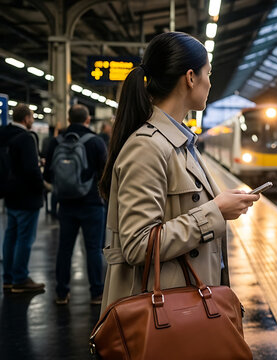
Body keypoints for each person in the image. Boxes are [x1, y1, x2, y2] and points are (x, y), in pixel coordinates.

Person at [97, 32, 258, 311]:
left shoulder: (180, 144)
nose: (210, 82)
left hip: (185, 305)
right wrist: (215, 212)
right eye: (208, 73)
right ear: (190, 77)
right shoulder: (147, 148)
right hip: (164, 316)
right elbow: (138, 245)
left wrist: (219, 204)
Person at [43, 104, 108, 305]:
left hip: (66, 204)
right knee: (93, 249)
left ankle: (62, 293)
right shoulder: (96, 142)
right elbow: (105, 175)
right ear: (88, 119)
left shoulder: (57, 142)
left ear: (69, 120)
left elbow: (48, 174)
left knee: (65, 249)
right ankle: (97, 293)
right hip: (92, 204)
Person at [0, 104, 45, 293]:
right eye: (32, 117)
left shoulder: (2, 133)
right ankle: (20, 279)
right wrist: (41, 187)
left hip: (8, 193)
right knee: (24, 238)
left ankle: (8, 278)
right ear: (26, 118)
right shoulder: (26, 138)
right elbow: (30, 170)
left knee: (10, 236)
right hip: (27, 196)